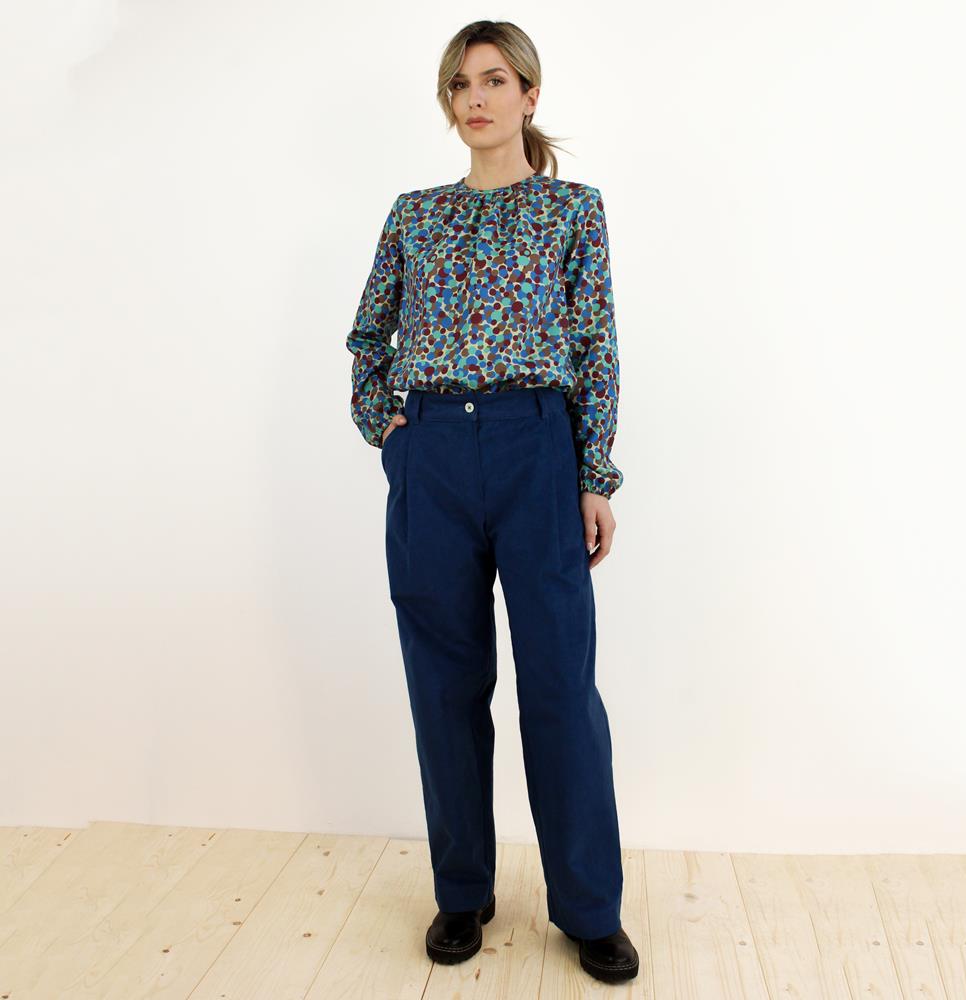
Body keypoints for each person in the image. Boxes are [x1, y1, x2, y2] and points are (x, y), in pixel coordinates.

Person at [345, 19, 638, 985]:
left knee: (559, 685)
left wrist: (593, 474)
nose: (476, 98)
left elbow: (595, 345)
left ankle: (588, 907)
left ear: (529, 95)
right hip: (430, 454)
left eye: (495, 80)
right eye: (460, 85)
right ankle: (462, 891)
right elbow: (369, 337)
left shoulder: (572, 211)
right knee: (444, 683)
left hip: (534, 449)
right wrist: (390, 430)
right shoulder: (415, 215)